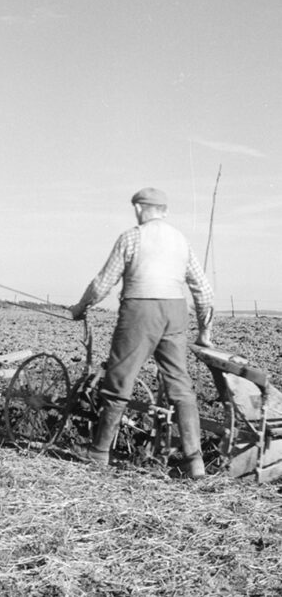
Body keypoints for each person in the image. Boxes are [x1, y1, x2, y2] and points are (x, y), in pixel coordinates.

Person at [68, 187, 214, 479]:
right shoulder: (180, 240)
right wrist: (205, 332)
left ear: (138, 208)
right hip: (174, 311)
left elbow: (102, 283)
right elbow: (204, 290)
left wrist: (81, 307)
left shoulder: (132, 236)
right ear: (165, 211)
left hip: (140, 311)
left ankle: (98, 453)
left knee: (119, 379)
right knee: (180, 386)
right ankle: (195, 463)